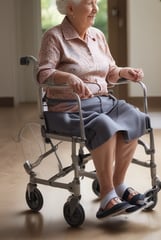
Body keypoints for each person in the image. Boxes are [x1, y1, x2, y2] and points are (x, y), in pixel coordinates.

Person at [38, 0, 148, 219]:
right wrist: (68, 77)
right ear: (70, 8)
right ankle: (107, 196)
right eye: (90, 3)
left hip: (104, 102)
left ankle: (118, 185)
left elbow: (109, 72)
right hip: (69, 108)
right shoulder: (54, 36)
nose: (96, 8)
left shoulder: (97, 35)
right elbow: (43, 74)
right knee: (104, 125)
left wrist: (123, 72)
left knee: (135, 117)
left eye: (96, 3)